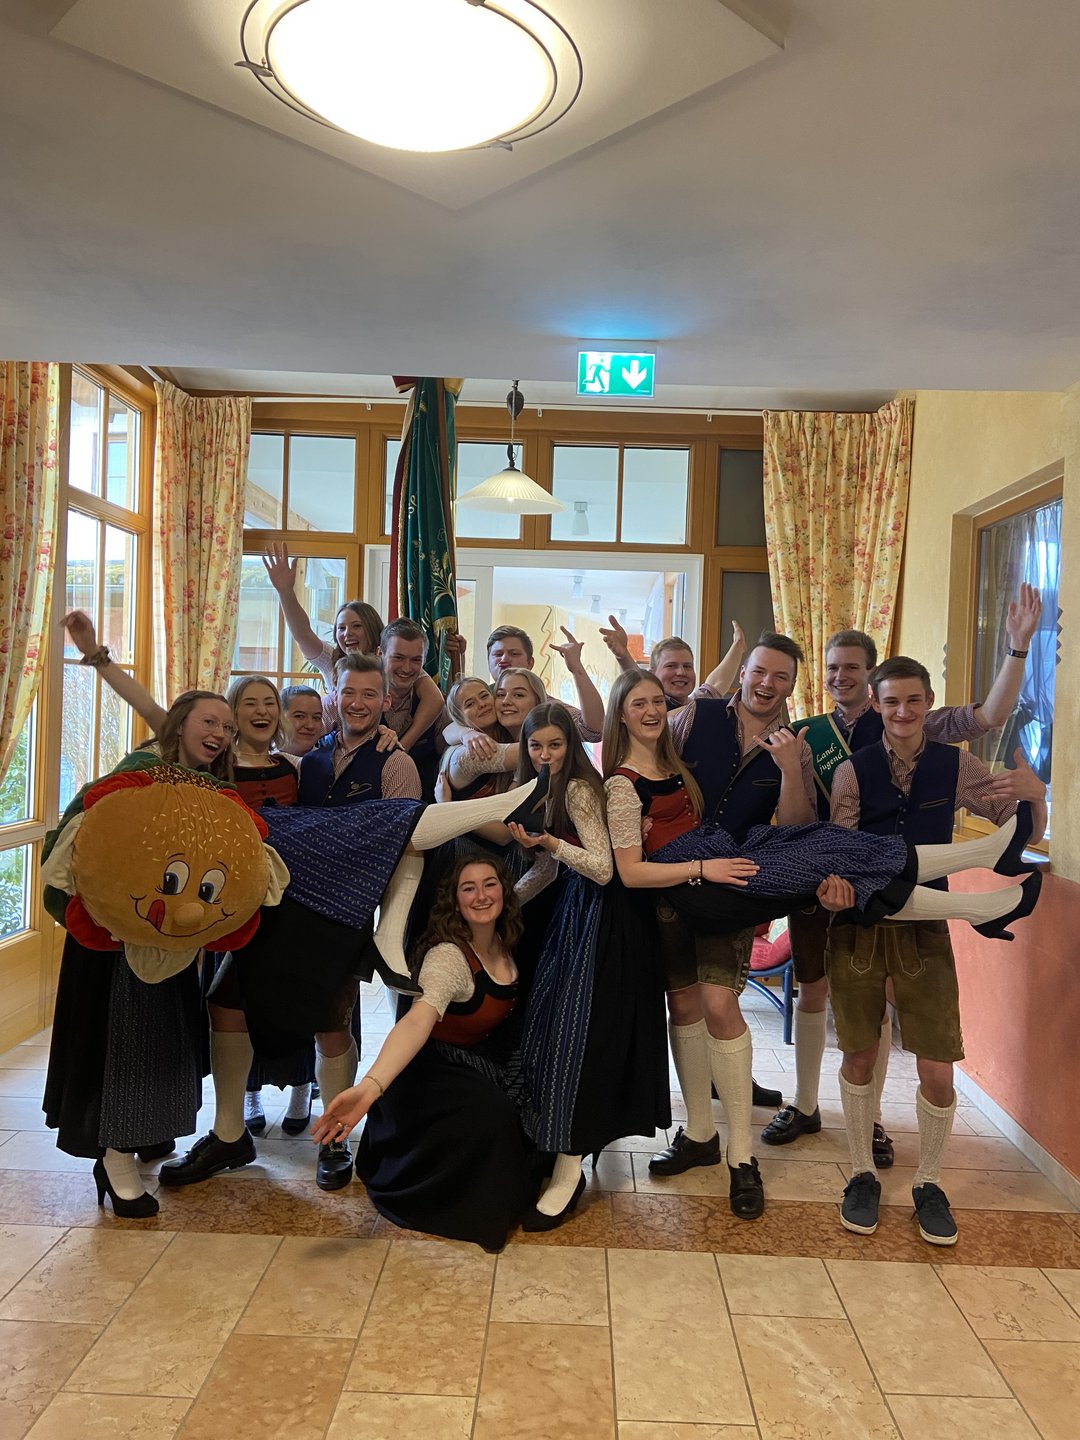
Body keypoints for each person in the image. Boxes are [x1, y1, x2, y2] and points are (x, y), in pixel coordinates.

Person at [600, 667, 1034, 1221]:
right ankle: (979, 883)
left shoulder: (675, 760)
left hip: (717, 861)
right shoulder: (629, 778)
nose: (652, 711)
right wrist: (706, 866)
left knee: (831, 848)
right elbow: (629, 868)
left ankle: (980, 887)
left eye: (657, 702)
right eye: (638, 703)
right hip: (703, 881)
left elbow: (982, 719)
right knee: (832, 859)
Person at [160, 654, 546, 1195]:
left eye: (370, 694)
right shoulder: (302, 759)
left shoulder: (385, 761)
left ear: (385, 701)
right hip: (270, 909)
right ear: (333, 697)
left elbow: (406, 850)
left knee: (332, 1022)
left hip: (337, 916)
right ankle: (228, 1135)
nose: (358, 703)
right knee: (227, 1007)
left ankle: (334, 1141)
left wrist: (387, 927)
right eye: (348, 693)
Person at [764, 582, 1043, 1160]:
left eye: (853, 667)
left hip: (893, 889)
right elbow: (800, 818)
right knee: (815, 989)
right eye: (833, 667)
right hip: (825, 874)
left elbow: (990, 715)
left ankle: (869, 1123)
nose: (842, 676)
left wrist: (1017, 648)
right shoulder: (809, 732)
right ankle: (807, 1103)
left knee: (878, 1008)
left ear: (871, 677)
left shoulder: (917, 722)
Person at [828, 657, 1047, 1246]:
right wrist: (834, 889)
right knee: (859, 1056)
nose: (902, 712)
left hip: (925, 928)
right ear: (876, 705)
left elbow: (1019, 833)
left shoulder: (959, 766)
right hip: (860, 926)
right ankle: (862, 1173)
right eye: (891, 701)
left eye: (913, 701)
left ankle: (928, 1180)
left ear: (928, 703)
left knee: (936, 1064)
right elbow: (844, 856)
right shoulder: (852, 772)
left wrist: (1037, 797)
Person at [42, 686, 239, 1218]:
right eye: (209, 722)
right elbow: (84, 843)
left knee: (161, 1044)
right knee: (126, 1048)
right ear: (179, 724)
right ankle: (115, 1160)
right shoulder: (136, 774)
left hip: (171, 943)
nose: (219, 734)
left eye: (227, 727)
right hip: (115, 945)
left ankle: (144, 1134)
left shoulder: (210, 788)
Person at [314, 857, 541, 1251]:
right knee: (494, 1116)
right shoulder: (448, 957)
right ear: (455, 900)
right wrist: (370, 1087)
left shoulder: (503, 932)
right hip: (432, 1068)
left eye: (490, 884)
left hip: (482, 1054)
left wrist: (549, 843)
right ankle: (476, 1212)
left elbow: (543, 874)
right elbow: (418, 1020)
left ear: (505, 891)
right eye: (468, 888)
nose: (481, 895)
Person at [504, 704, 672, 1229]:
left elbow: (601, 869)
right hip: (579, 916)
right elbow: (547, 870)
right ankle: (558, 1149)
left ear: (570, 746)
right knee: (553, 1033)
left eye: (555, 745)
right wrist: (503, 904)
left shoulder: (577, 788)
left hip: (606, 921)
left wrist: (550, 843)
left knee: (576, 1042)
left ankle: (568, 1163)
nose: (545, 754)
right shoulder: (545, 788)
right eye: (536, 746)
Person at [262, 541, 445, 753]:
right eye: (341, 628)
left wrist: (402, 746)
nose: (347, 633)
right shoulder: (333, 661)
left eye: (356, 626)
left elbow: (434, 699)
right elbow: (303, 634)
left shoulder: (395, 659)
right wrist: (285, 592)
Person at [484, 624, 605, 740]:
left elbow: (592, 731)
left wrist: (576, 667)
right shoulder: (483, 701)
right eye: (498, 654)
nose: (504, 659)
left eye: (514, 654)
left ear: (530, 663)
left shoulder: (548, 706)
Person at [599, 617, 748, 707]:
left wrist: (738, 646)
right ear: (652, 674)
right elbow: (637, 683)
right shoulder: (652, 709)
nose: (681, 672)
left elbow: (715, 684)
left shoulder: (696, 705)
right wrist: (623, 656)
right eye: (671, 666)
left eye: (687, 666)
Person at [279, 683, 325, 757]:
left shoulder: (331, 762)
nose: (310, 726)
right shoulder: (263, 760)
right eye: (299, 716)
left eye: (316, 718)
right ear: (279, 718)